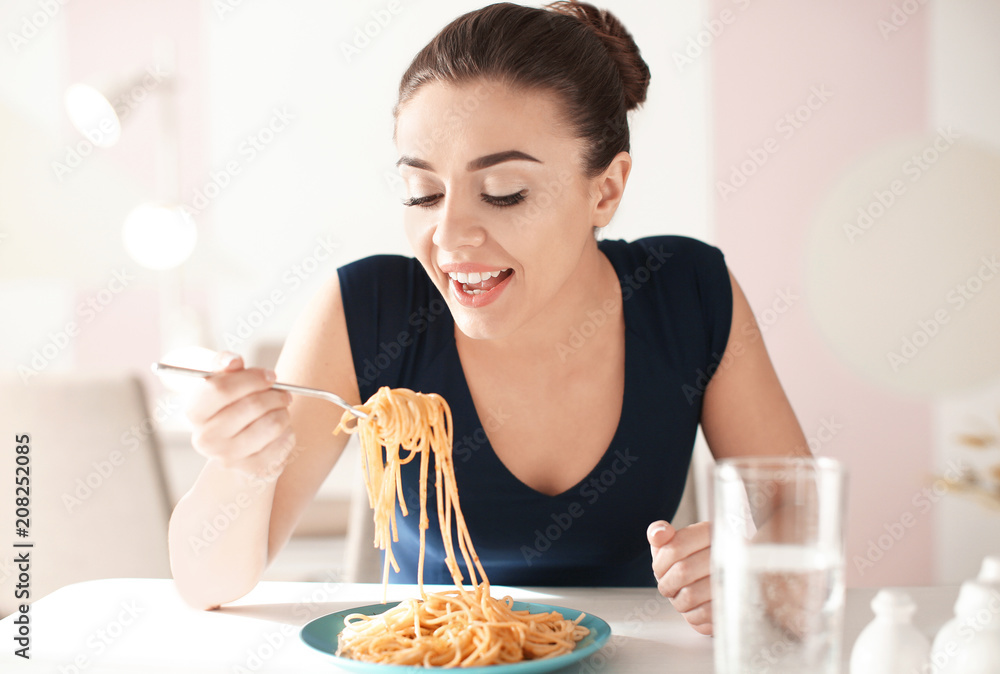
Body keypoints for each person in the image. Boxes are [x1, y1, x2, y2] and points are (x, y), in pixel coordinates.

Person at [167, 0, 810, 637]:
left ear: (606, 190)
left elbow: (799, 511)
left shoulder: (686, 292)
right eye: (424, 193)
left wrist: (753, 569)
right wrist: (238, 464)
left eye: (504, 192)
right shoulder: (365, 310)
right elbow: (207, 586)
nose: (448, 238)